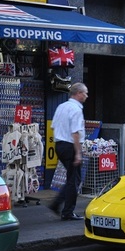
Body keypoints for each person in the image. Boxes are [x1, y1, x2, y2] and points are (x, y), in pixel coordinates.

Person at [48, 82, 88, 220]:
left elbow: (53, 127)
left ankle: (58, 204)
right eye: (85, 93)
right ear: (78, 93)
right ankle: (67, 211)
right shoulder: (76, 109)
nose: (86, 96)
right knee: (74, 180)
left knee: (72, 178)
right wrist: (78, 152)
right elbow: (75, 132)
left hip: (59, 145)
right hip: (70, 146)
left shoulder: (61, 106)